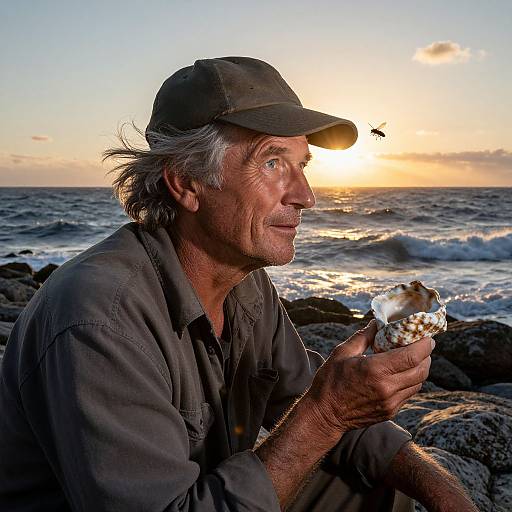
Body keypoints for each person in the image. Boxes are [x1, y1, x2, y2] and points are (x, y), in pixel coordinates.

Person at [0, 56, 477, 512]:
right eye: (272, 162)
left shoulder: (243, 284)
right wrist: (326, 414)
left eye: (302, 165)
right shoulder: (100, 319)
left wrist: (444, 491)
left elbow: (299, 393)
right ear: (186, 182)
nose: (306, 196)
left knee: (377, 492)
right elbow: (320, 410)